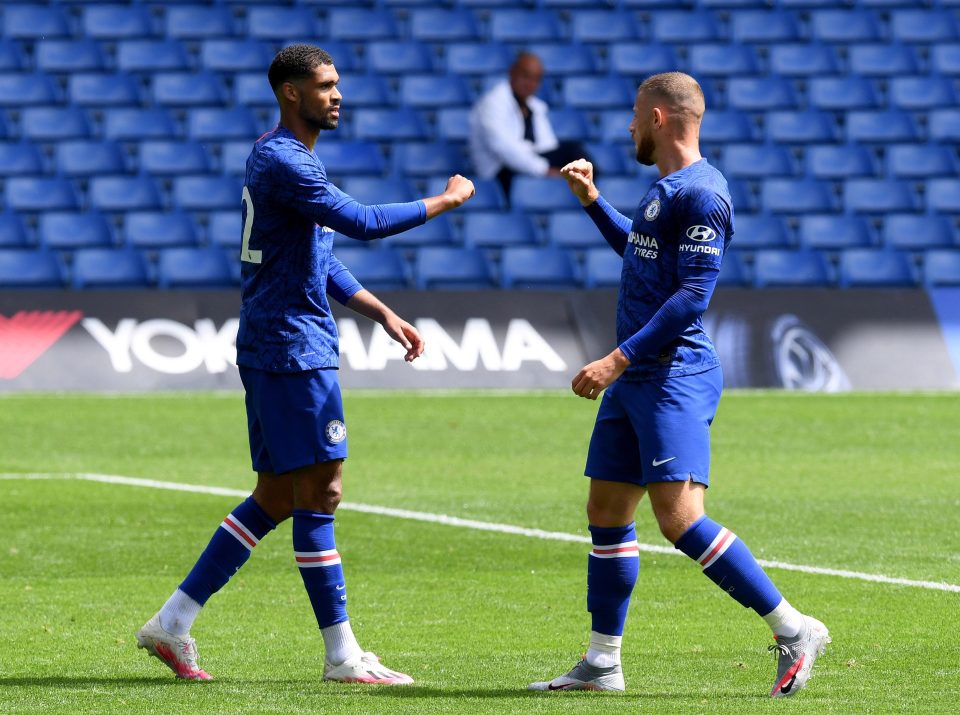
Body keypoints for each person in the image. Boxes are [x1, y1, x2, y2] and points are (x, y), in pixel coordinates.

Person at [135, 44, 475, 685]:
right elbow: (363, 222)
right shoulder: (286, 161)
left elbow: (320, 255)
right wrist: (444, 201)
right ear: (291, 92)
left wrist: (381, 312)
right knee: (322, 492)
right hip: (291, 348)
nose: (337, 94)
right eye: (324, 85)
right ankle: (342, 656)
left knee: (275, 495)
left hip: (279, 343)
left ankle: (173, 622)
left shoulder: (285, 159)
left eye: (337, 84)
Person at [527, 72, 830, 699]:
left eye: (635, 117)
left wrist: (616, 358)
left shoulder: (704, 194)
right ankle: (602, 663)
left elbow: (694, 295)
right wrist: (591, 201)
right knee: (606, 513)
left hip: (672, 374)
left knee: (679, 518)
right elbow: (638, 252)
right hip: (637, 376)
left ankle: (793, 628)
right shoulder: (663, 189)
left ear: (659, 118)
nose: (628, 128)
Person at [469, 51, 588, 200]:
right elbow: (505, 149)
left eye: (536, 79)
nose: (530, 84)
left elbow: (547, 146)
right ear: (512, 72)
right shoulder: (492, 104)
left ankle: (591, 200)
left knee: (577, 157)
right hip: (500, 173)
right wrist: (544, 170)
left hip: (528, 160)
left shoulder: (534, 106)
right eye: (525, 76)